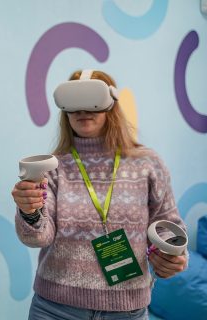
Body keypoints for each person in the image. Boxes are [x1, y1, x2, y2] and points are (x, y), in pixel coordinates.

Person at [11, 70, 188, 320]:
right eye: (74, 103)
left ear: (111, 104)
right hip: (55, 309)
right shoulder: (52, 167)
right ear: (64, 110)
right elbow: (38, 237)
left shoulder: (148, 163)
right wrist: (29, 211)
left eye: (92, 99)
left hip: (126, 310)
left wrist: (173, 256)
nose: (83, 109)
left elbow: (168, 225)